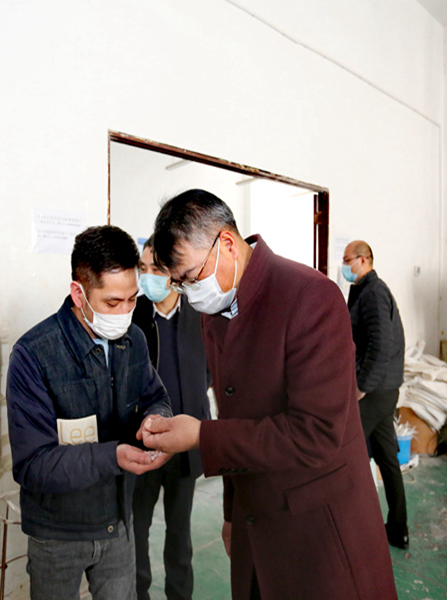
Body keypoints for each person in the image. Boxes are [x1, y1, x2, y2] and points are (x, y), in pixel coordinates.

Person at [139, 189, 397, 600]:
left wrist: (201, 436)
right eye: (180, 284)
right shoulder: (216, 312)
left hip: (318, 527)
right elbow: (234, 416)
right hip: (254, 518)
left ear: (227, 243)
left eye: (190, 276)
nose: (189, 291)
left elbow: (317, 434)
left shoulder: (310, 296)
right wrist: (231, 514)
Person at [6, 225, 173, 600]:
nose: (125, 312)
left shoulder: (133, 341)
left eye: (132, 299)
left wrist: (155, 421)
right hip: (57, 535)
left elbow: (155, 395)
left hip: (119, 523)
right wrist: (113, 456)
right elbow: (32, 465)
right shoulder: (33, 355)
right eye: (113, 303)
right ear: (78, 293)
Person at [131, 235, 212, 600]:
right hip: (142, 442)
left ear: (174, 272)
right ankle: (139, 593)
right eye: (143, 268)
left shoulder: (200, 314)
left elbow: (209, 370)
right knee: (137, 530)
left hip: (185, 445)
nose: (148, 276)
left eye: (157, 269)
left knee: (180, 534)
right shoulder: (133, 317)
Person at [343, 240, 408, 549]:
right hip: (383, 389)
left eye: (347, 260)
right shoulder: (363, 291)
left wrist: (361, 386)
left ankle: (352, 529)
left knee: (344, 453)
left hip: (376, 391)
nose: (344, 266)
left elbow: (380, 345)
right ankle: (398, 529)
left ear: (364, 259)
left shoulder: (374, 292)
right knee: (386, 458)